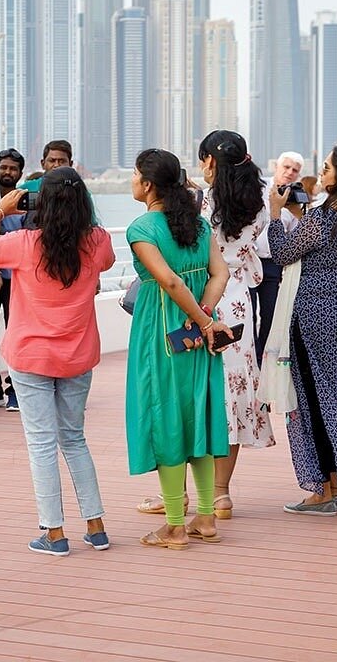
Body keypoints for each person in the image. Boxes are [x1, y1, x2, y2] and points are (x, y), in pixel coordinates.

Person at [0, 166, 115, 555]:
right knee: (74, 439)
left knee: (42, 444)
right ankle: (95, 526)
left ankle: (55, 533)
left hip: (31, 356)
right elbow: (108, 261)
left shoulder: (24, 242)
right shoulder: (96, 241)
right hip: (78, 355)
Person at [126, 149, 232, 550]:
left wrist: (200, 320)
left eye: (136, 176)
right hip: (201, 329)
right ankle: (205, 516)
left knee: (166, 416)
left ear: (149, 184)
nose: (132, 182)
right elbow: (219, 273)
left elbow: (168, 282)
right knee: (198, 416)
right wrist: (206, 317)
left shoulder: (142, 228)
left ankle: (173, 524)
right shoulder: (200, 225)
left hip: (162, 331)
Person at [268, 143, 337, 515]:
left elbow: (284, 253)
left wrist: (274, 217)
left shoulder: (323, 220)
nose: (323, 172)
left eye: (330, 168)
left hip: (315, 317)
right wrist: (303, 214)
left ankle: (325, 488)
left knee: (314, 403)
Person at [196, 132, 275, 517]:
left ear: (209, 161)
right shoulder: (259, 203)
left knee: (199, 389)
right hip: (239, 299)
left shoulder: (199, 203)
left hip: (205, 297)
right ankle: (221, 493)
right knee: (235, 388)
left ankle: (183, 491)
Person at [251, 151, 303, 365]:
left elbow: (295, 236)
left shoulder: (294, 200)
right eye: (286, 167)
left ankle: (264, 360)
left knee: (270, 314)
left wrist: (298, 211)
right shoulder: (258, 190)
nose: (289, 173)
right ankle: (251, 358)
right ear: (276, 167)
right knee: (249, 313)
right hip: (250, 259)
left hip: (273, 264)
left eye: (295, 170)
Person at [0, 148, 27, 411]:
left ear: (20, 173)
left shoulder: (25, 201)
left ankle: (15, 390)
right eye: (4, 167)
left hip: (19, 279)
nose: (7, 172)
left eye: (13, 168)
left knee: (16, 334)